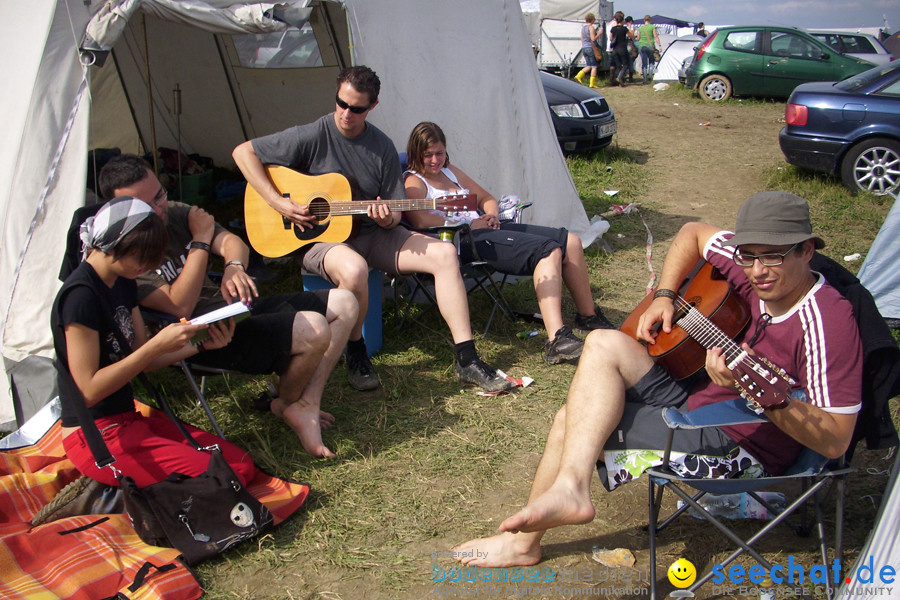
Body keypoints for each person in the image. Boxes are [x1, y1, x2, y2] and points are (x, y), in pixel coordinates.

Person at [451, 192, 862, 568]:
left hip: (741, 445)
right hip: (699, 396)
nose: (756, 271)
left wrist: (753, 391)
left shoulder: (827, 323)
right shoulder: (751, 270)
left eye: (771, 257)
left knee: (569, 422)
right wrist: (665, 295)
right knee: (601, 341)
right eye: (747, 256)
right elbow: (691, 233)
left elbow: (836, 439)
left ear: (807, 251)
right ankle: (569, 491)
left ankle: (528, 542)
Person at [232, 65, 512, 394]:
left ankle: (467, 359)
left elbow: (394, 213)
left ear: (372, 107)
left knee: (445, 253)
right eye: (341, 103)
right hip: (321, 240)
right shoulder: (313, 134)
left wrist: (386, 218)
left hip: (373, 233)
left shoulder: (380, 146)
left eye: (357, 108)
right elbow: (243, 152)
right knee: (354, 269)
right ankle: (357, 352)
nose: (346, 113)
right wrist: (278, 202)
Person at [98, 154, 357, 458]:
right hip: (205, 336)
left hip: (234, 310)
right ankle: (290, 403)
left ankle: (302, 405)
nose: (159, 209)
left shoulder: (174, 212)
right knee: (313, 327)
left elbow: (234, 243)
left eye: (160, 195)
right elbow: (178, 305)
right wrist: (201, 240)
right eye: (147, 206)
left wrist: (234, 265)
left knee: (346, 303)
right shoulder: (132, 249)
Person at [52, 196, 258, 488]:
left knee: (238, 464)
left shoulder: (123, 280)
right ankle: (113, 489)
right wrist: (157, 344)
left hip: (127, 420)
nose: (147, 266)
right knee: (229, 477)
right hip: (93, 436)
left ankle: (130, 488)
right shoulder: (80, 298)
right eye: (143, 257)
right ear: (117, 245)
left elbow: (139, 360)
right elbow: (88, 390)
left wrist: (200, 344)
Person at [403, 122, 615, 364]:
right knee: (548, 251)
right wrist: (472, 226)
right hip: (464, 241)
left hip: (487, 227)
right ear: (416, 153)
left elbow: (485, 197)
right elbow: (420, 219)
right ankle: (556, 339)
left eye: (439, 153)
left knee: (570, 241)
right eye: (427, 155)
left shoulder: (450, 171)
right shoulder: (414, 181)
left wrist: (491, 214)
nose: (434, 160)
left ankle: (588, 316)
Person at [574, 13, 602, 89]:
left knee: (588, 65)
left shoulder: (583, 28)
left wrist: (584, 46)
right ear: (592, 20)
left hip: (584, 47)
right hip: (591, 47)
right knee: (594, 66)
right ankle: (592, 83)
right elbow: (593, 39)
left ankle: (578, 76)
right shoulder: (591, 27)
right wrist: (599, 33)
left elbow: (582, 39)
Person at [608, 11, 634, 86]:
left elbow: (610, 38)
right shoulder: (624, 29)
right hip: (622, 48)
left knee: (618, 65)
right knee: (626, 65)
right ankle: (620, 77)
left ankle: (619, 80)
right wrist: (629, 27)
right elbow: (631, 36)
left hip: (615, 49)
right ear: (622, 21)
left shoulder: (613, 29)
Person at [635, 15, 662, 84]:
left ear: (644, 20)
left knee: (644, 62)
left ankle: (645, 79)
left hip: (642, 46)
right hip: (650, 46)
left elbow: (638, 38)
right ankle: (650, 75)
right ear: (650, 20)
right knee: (651, 61)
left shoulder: (640, 28)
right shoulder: (653, 27)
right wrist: (659, 45)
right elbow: (656, 36)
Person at [624, 16, 638, 83]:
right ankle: (630, 76)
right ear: (630, 21)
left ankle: (625, 75)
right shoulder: (631, 27)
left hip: (624, 45)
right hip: (630, 45)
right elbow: (632, 36)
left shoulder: (623, 26)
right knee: (631, 62)